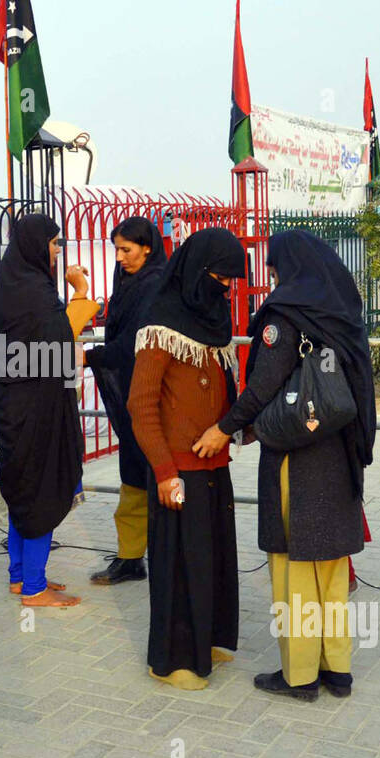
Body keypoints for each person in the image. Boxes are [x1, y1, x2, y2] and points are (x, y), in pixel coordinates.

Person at [195, 229, 376, 701]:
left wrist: (225, 428)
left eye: (273, 268)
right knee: (331, 571)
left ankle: (299, 676)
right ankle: (337, 670)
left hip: (296, 459)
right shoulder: (342, 314)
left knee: (295, 569)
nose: (271, 277)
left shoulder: (284, 316)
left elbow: (262, 387)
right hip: (339, 456)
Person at [126, 228, 245, 690]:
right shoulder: (160, 322)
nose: (225, 287)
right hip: (177, 471)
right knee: (179, 565)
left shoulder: (211, 317)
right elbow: (141, 405)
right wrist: (164, 471)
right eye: (219, 276)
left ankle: (209, 640)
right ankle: (174, 660)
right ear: (199, 271)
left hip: (215, 466)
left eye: (232, 279)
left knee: (211, 558)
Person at [0, 214, 95, 609]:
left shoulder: (8, 288)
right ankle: (34, 588)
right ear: (35, 245)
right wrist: (81, 292)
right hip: (36, 412)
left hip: (12, 405)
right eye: (53, 243)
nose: (56, 251)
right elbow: (61, 341)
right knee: (42, 488)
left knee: (21, 489)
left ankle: (21, 577)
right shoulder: (35, 293)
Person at [85, 217, 166, 586]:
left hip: (152, 399)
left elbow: (134, 342)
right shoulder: (129, 281)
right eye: (116, 249)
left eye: (126, 250)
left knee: (158, 476)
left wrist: (91, 357)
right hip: (131, 397)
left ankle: (168, 554)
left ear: (147, 248)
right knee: (132, 475)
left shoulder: (155, 285)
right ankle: (131, 558)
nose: (119, 257)